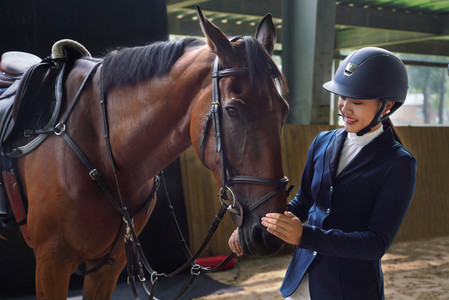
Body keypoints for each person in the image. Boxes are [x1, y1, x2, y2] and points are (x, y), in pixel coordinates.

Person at [228, 47, 417, 299]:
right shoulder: (322, 142)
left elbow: (375, 244)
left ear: (387, 106)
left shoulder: (399, 164)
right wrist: (255, 227)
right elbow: (304, 201)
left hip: (348, 290)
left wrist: (305, 235)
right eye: (342, 97)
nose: (345, 108)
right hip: (300, 281)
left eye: (357, 102)